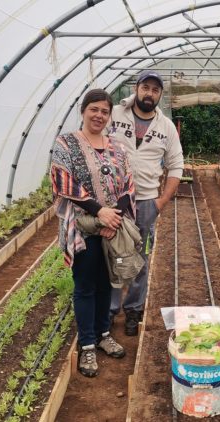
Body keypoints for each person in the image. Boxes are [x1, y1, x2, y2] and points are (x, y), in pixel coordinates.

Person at [51, 88, 134, 377]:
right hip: (83, 227)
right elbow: (64, 182)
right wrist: (100, 212)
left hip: (112, 227)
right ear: (83, 111)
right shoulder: (67, 143)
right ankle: (87, 344)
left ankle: (103, 333)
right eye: (94, 109)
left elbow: (128, 185)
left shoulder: (117, 147)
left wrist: (115, 218)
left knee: (107, 284)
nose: (99, 115)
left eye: (104, 111)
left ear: (110, 115)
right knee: (85, 285)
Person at [110, 70, 184, 336]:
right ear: (136, 88)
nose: (149, 93)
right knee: (113, 255)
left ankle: (133, 310)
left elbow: (176, 166)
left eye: (155, 89)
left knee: (139, 258)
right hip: (114, 202)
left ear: (160, 95)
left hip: (146, 201)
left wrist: (161, 201)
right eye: (145, 87)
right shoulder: (115, 115)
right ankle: (110, 309)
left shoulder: (165, 127)